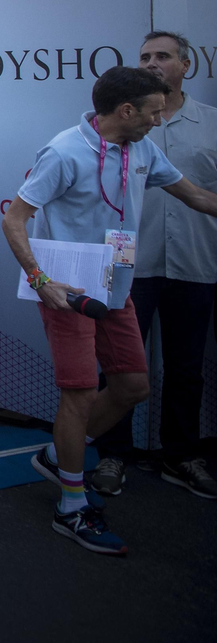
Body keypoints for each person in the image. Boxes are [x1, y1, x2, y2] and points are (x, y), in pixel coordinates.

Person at [2, 66, 217, 554]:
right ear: (126, 111)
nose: (159, 121)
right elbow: (15, 219)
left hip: (117, 284)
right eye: (154, 112)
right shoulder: (63, 151)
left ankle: (61, 455)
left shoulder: (142, 148)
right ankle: (71, 506)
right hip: (68, 290)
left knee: (132, 387)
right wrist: (41, 280)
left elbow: (196, 195)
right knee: (78, 396)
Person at [91, 33, 217, 499]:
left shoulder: (212, 125)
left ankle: (181, 456)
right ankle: (112, 455)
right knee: (119, 364)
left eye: (162, 56)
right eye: (144, 57)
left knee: (186, 367)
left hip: (195, 262)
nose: (151, 63)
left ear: (187, 64)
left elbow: (201, 195)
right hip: (130, 268)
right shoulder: (119, 125)